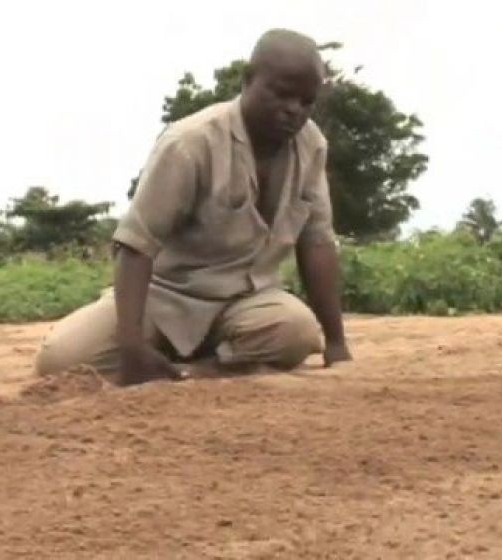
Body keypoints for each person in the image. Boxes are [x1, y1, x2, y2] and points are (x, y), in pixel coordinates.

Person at [34, 29, 352, 385]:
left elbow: (317, 242)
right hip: (164, 295)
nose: (294, 110)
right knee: (59, 360)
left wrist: (337, 343)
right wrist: (131, 343)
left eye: (306, 102)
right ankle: (161, 357)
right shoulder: (190, 143)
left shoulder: (312, 146)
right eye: (281, 94)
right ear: (247, 80)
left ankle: (196, 372)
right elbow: (135, 245)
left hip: (246, 303)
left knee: (298, 332)